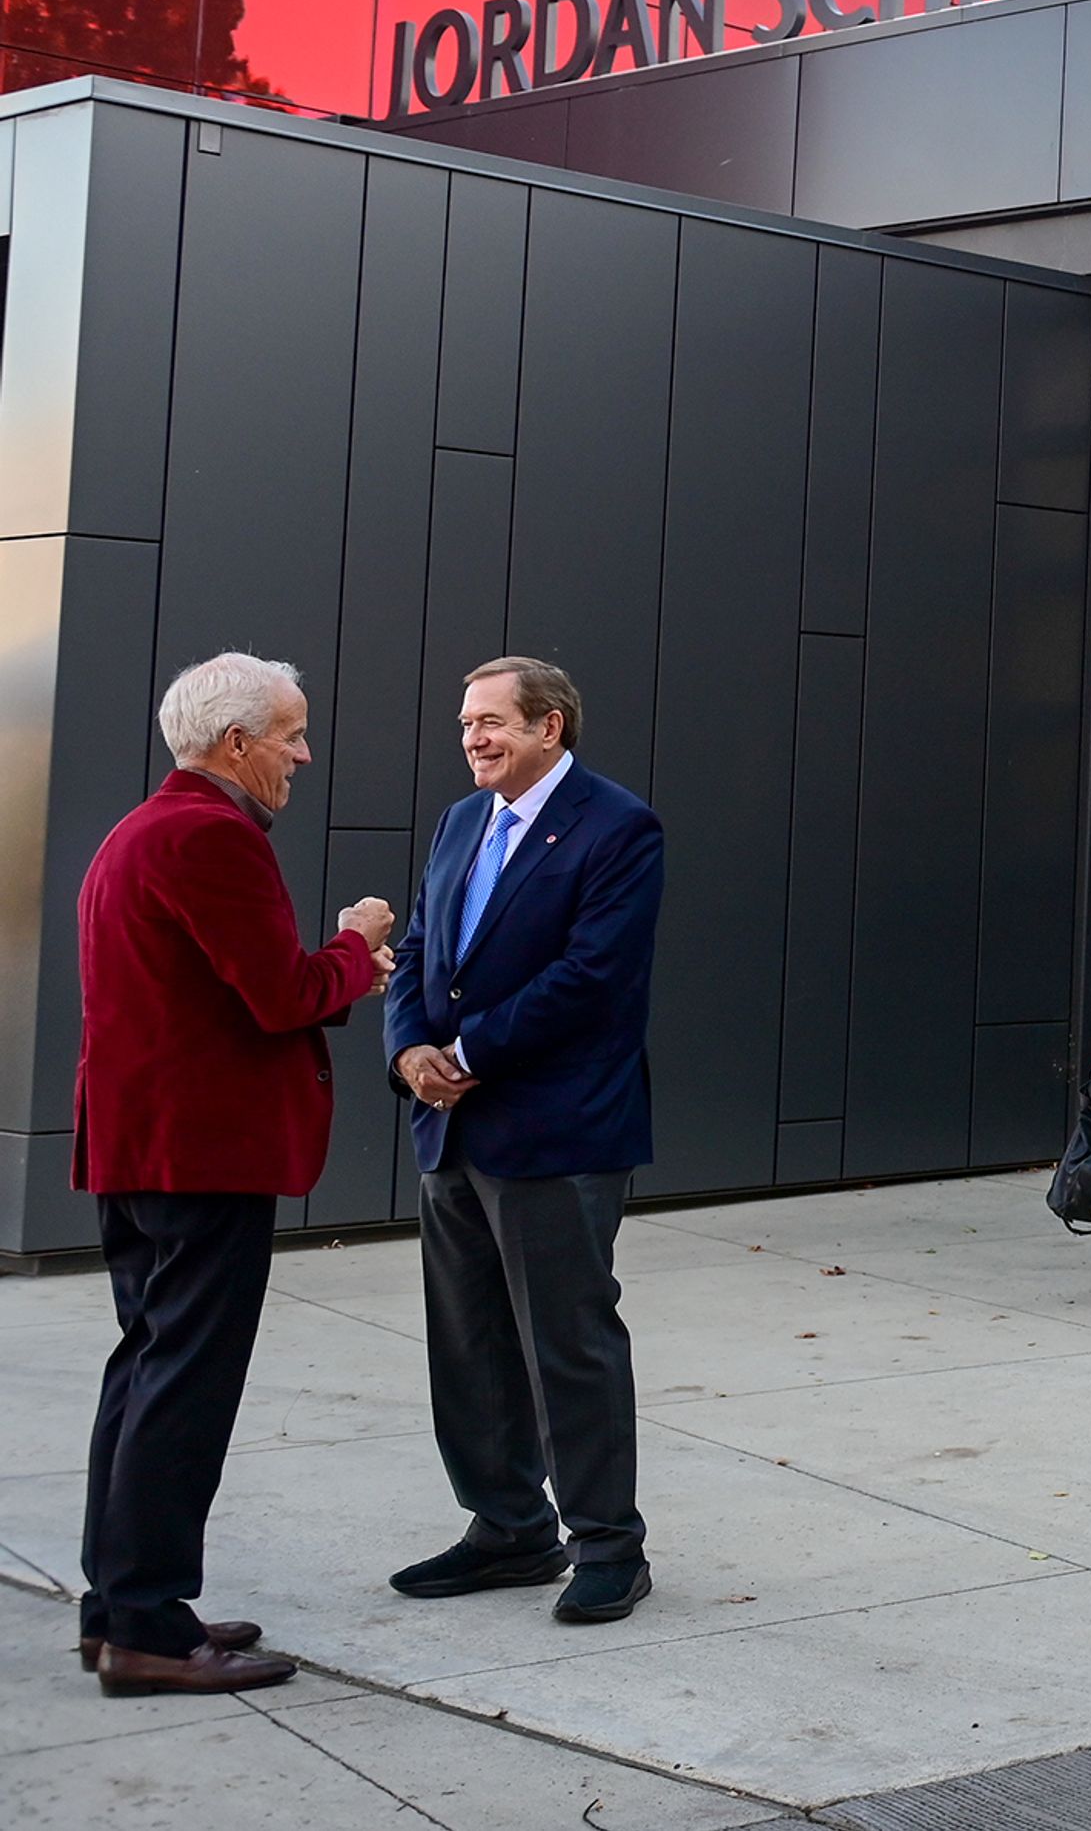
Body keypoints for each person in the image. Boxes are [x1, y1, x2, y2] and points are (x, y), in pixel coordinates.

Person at [75, 654, 394, 1694]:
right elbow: (279, 991)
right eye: (292, 734)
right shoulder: (211, 835)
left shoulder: (141, 830)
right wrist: (357, 947)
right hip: (202, 1156)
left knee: (146, 1368)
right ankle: (151, 1630)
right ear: (236, 744)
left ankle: (123, 1606)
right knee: (183, 1384)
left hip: (148, 1149)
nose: (304, 753)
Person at [385, 658, 667, 1626]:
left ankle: (607, 1545)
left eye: (493, 720)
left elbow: (593, 977)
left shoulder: (618, 825)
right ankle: (508, 1526)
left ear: (552, 726)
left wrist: (464, 1048)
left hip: (558, 1130)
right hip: (453, 1123)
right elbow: (421, 944)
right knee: (468, 1344)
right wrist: (410, 1048)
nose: (472, 737)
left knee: (566, 1343)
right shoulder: (461, 821)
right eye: (467, 721)